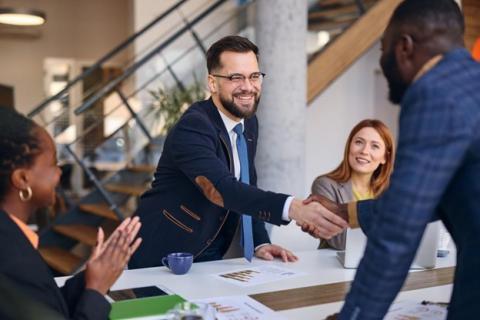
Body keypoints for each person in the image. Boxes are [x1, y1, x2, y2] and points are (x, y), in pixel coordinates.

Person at [303, 0, 480, 318]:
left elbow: (398, 231)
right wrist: (345, 211)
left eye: (382, 50)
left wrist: (353, 316)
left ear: (404, 47)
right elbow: (433, 198)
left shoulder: (435, 94)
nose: (383, 65)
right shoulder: (470, 84)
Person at [129, 35, 347, 268]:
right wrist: (292, 208)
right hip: (165, 254)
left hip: (211, 253)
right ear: (212, 83)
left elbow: (246, 185)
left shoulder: (248, 123)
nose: (248, 87)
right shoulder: (193, 126)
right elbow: (222, 189)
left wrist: (260, 243)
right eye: (235, 77)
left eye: (254, 76)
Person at [0, 107, 142, 320]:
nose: (59, 173)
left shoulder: (12, 237)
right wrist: (96, 289)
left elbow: (47, 307)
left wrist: (90, 276)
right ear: (22, 179)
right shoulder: (11, 259)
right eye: (53, 164)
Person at [311, 119, 394, 250]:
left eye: (375, 146)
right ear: (349, 146)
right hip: (337, 267)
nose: (364, 151)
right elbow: (340, 241)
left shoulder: (390, 191)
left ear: (385, 157)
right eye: (359, 142)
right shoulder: (325, 185)